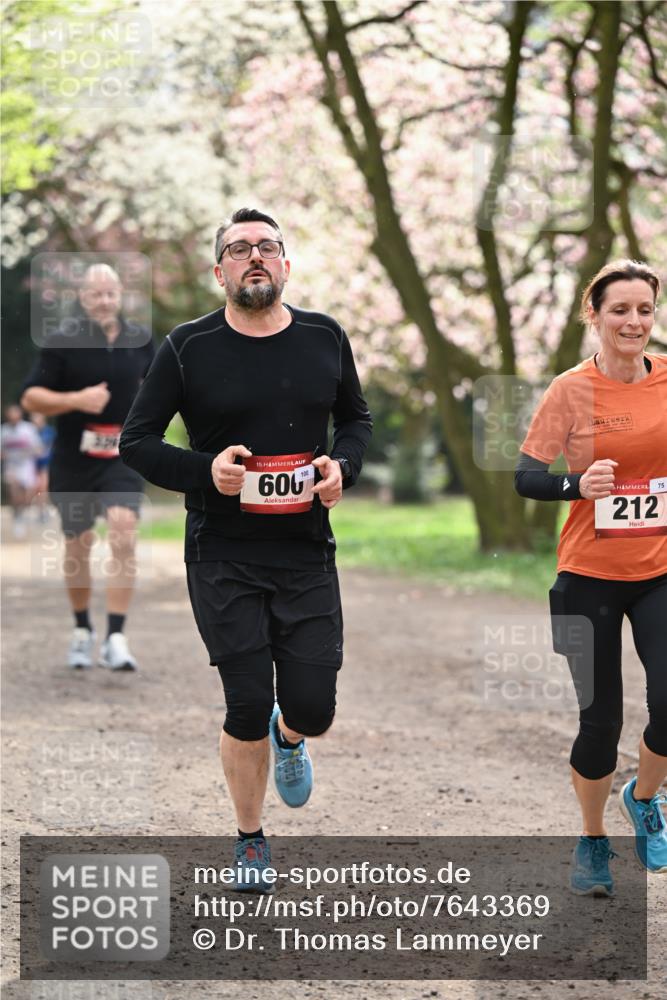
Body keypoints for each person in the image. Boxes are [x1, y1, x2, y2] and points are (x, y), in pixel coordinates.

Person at [120, 207, 372, 888]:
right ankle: (250, 837)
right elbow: (136, 442)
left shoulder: (324, 336)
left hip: (304, 551)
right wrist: (207, 471)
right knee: (242, 701)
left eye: (266, 247)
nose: (253, 257)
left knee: (313, 708)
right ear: (219, 270)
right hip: (221, 553)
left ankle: (288, 739)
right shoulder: (186, 346)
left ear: (286, 264)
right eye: (238, 249)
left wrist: (339, 467)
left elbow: (354, 419)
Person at [515, 259, 667, 893]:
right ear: (594, 316)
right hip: (588, 574)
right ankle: (593, 837)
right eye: (620, 310)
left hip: (661, 569)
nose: (634, 321)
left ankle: (644, 796)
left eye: (644, 309)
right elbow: (527, 476)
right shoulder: (570, 390)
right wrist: (577, 483)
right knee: (600, 720)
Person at [21, 263, 155, 670]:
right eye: (96, 294)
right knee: (78, 547)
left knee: (123, 530)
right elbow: (31, 398)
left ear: (120, 296)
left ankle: (116, 635)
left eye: (110, 293)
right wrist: (75, 400)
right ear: (82, 298)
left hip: (122, 455)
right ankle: (83, 629)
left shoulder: (141, 340)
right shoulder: (63, 341)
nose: (104, 301)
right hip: (74, 459)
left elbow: (161, 387)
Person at [1, 404, 42, 538]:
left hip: (26, 466)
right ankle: (17, 517)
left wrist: (29, 452)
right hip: (12, 466)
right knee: (14, 493)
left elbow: (38, 448)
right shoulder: (4, 431)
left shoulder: (28, 429)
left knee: (27, 496)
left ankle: (22, 512)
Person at [31, 412, 56, 522]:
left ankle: (44, 510)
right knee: (37, 489)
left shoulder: (50, 432)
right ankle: (40, 511)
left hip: (46, 464)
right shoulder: (29, 432)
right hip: (32, 465)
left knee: (43, 487)